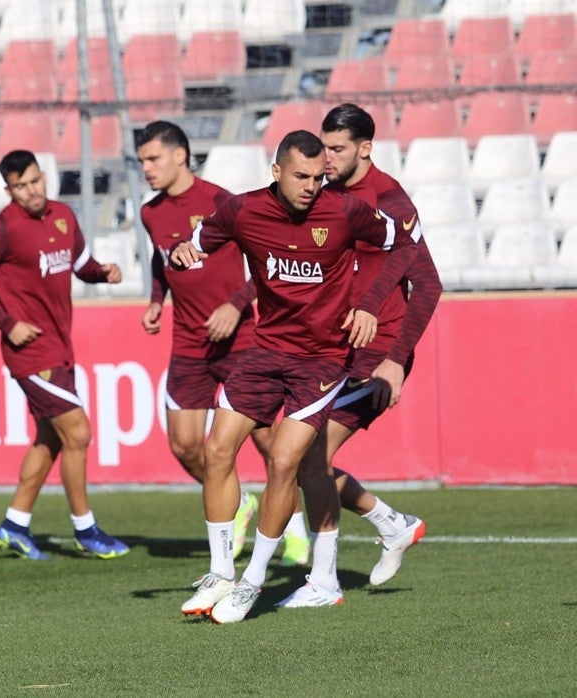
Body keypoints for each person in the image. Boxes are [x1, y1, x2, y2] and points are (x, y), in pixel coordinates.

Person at [169, 130, 419, 623]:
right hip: (264, 352)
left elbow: (406, 245)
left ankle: (253, 580)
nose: (311, 186)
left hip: (322, 359)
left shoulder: (345, 211)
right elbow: (195, 243)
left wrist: (371, 304)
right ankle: (221, 571)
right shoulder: (242, 210)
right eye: (301, 176)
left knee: (284, 462)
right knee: (215, 449)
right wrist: (184, 252)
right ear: (277, 171)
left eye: (319, 176)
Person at [274, 104, 441, 608]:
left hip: (379, 355)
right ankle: (392, 525)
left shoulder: (389, 199)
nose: (326, 159)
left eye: (337, 149)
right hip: (333, 353)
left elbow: (428, 284)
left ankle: (324, 583)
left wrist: (396, 359)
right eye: (323, 147)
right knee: (301, 456)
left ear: (365, 148)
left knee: (306, 459)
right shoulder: (325, 194)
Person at [135, 120, 311, 567]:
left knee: (270, 445)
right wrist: (157, 300)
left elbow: (268, 263)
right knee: (185, 445)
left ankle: (292, 528)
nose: (146, 169)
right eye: (141, 161)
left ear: (179, 155)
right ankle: (241, 505)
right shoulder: (150, 211)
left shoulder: (221, 202)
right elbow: (163, 262)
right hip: (188, 343)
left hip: (242, 341)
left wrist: (236, 305)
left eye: (152, 159)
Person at [0, 149, 130, 560]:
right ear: (8, 190)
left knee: (49, 440)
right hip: (31, 353)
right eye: (20, 186)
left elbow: (80, 263)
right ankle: (86, 530)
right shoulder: (2, 229)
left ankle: (14, 524)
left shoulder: (64, 216)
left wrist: (103, 272)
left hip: (60, 345)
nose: (30, 191)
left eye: (34, 181)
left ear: (43, 176)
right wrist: (7, 322)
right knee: (78, 433)